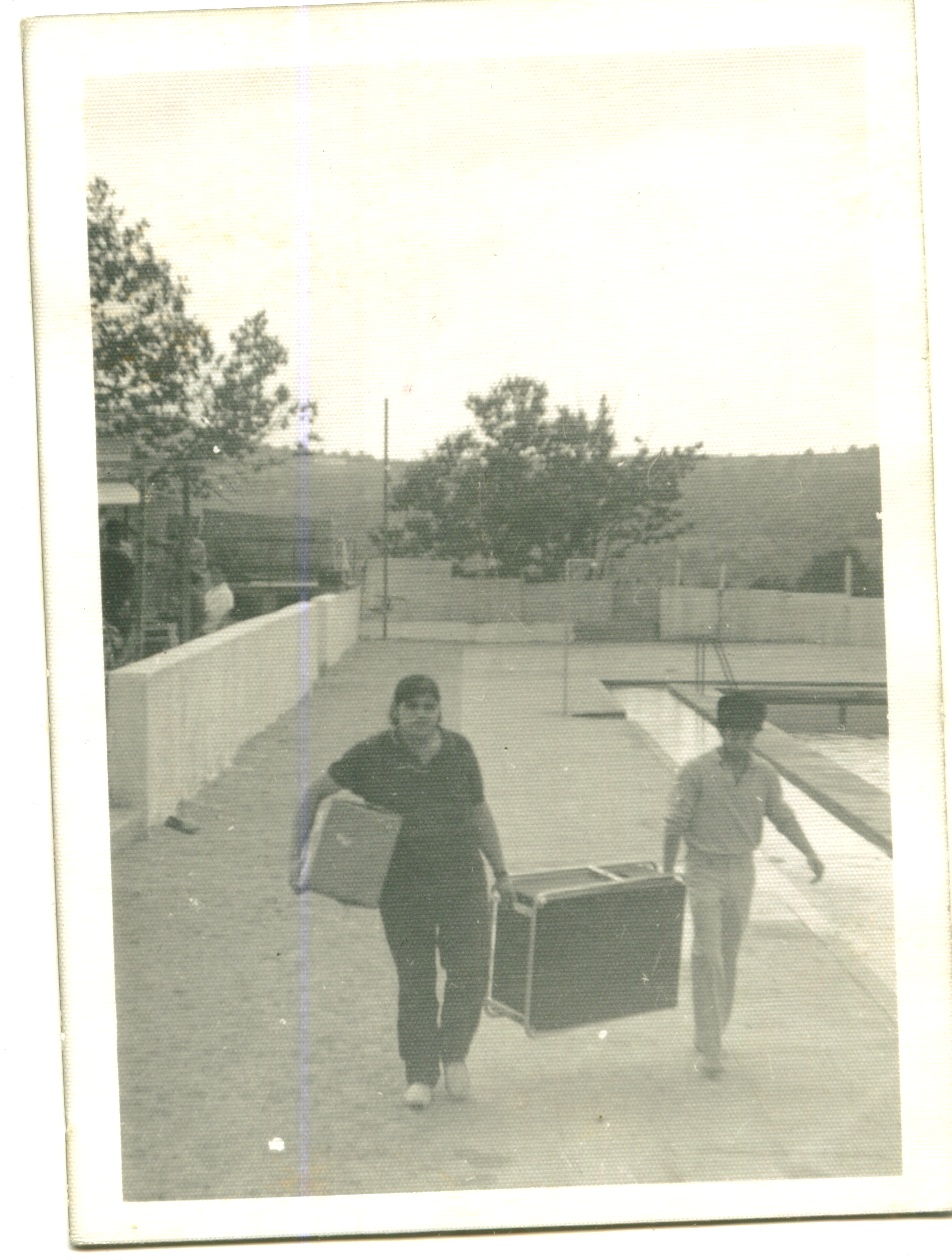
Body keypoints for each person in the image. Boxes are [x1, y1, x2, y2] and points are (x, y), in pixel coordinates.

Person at [292, 674, 513, 1110]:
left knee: (470, 972)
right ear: (395, 710)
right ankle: (420, 1074)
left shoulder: (459, 750)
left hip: (462, 882)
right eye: (411, 706)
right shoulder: (373, 754)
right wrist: (296, 859)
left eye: (429, 706)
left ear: (439, 711)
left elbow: (478, 811)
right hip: (403, 889)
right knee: (416, 981)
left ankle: (454, 1056)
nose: (420, 715)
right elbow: (313, 794)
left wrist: (501, 871)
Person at [662, 690, 824, 1079]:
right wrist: (666, 872)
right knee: (707, 954)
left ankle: (712, 1031)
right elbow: (675, 823)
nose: (740, 741)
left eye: (748, 735)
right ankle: (712, 1048)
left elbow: (781, 815)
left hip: (742, 870)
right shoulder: (695, 771)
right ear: (721, 731)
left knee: (728, 955)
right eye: (733, 733)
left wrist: (809, 851)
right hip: (703, 868)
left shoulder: (764, 774)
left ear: (756, 734)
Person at [100, 519, 136, 642]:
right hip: (110, 588)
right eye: (112, 532)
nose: (114, 535)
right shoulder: (105, 550)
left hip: (121, 587)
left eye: (117, 532)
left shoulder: (126, 548)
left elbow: (130, 572)